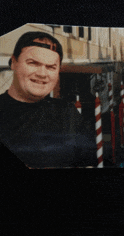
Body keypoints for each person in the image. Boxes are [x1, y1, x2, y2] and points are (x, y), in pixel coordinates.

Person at [0, 31, 97, 168]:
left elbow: (88, 162)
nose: (42, 74)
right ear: (13, 62)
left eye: (51, 67)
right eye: (33, 63)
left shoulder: (67, 113)